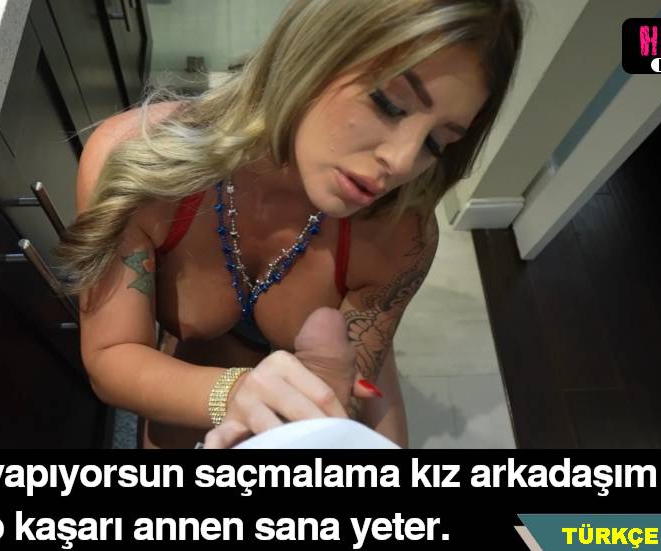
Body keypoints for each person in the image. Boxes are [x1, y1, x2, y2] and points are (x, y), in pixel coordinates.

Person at [55, 0, 524, 449]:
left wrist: (326, 399)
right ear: (314, 48)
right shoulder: (139, 165)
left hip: (334, 351)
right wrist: (232, 393)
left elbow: (340, 386)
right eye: (389, 103)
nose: (401, 162)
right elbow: (111, 355)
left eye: (437, 143)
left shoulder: (400, 230)